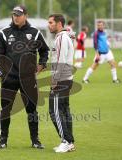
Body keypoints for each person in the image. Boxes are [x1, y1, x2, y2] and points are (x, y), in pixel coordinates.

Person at [0, 5, 49, 149]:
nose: (16, 17)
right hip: (9, 79)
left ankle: (35, 140)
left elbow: (44, 51)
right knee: (5, 109)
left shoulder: (35, 33)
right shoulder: (4, 33)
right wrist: (1, 73)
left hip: (28, 79)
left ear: (26, 15)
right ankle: (2, 140)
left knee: (32, 110)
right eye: (14, 15)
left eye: (19, 15)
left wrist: (42, 64)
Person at [48, 14, 75, 153]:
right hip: (66, 79)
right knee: (64, 111)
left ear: (59, 23)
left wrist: (55, 79)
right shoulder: (65, 37)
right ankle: (69, 142)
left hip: (61, 80)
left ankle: (65, 141)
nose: (49, 25)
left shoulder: (62, 38)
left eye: (51, 22)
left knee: (54, 111)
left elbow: (60, 59)